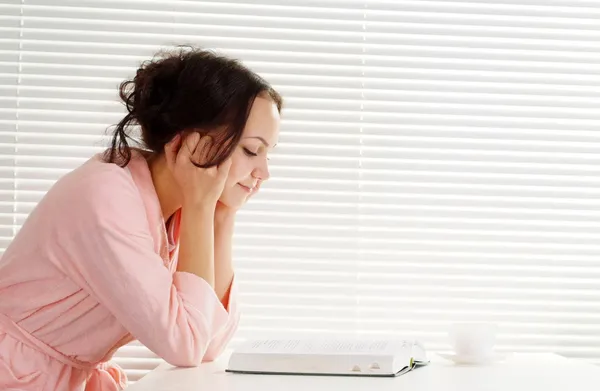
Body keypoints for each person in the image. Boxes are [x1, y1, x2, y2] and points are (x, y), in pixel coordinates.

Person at [0, 47, 283, 391]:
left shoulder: (174, 209)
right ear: (192, 141)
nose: (264, 172)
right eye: (252, 150)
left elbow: (210, 343)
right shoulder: (106, 196)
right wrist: (200, 206)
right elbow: (186, 344)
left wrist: (221, 217)